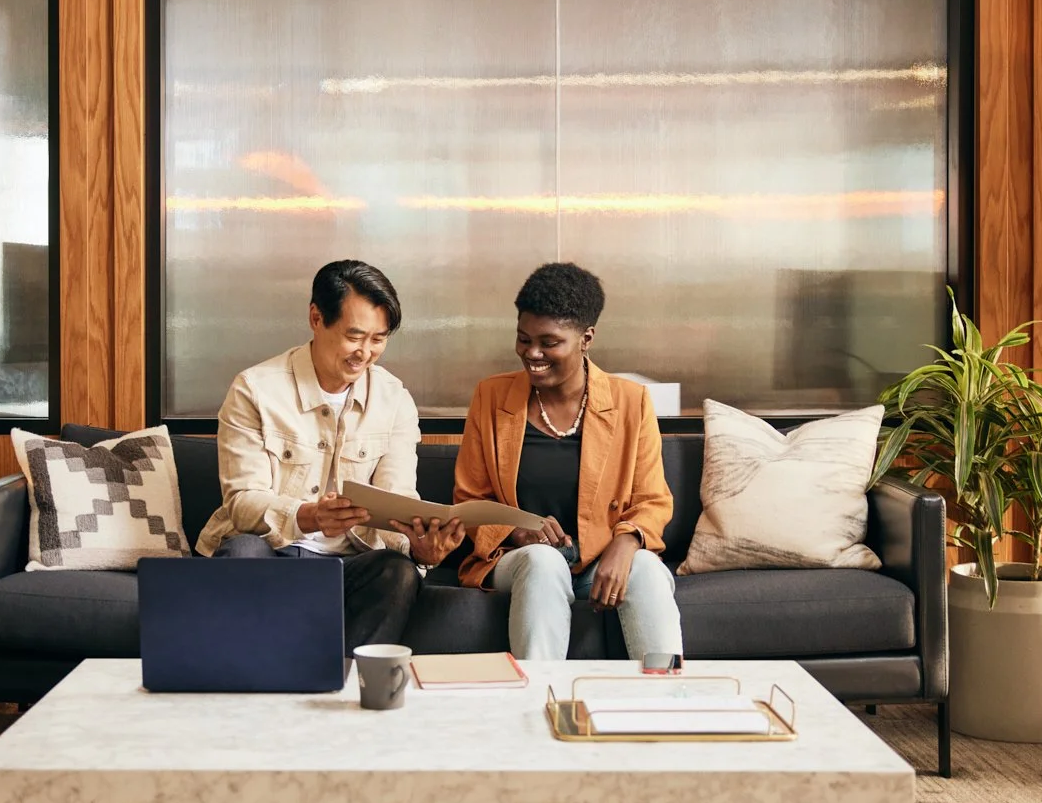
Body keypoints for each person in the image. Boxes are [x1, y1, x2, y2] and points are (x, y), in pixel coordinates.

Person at [195, 260, 465, 650]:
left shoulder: (394, 401)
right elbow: (241, 502)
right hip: (272, 550)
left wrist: (419, 545)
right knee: (242, 551)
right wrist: (309, 516)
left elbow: (398, 498)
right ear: (316, 318)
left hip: (351, 563)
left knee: (398, 571)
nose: (365, 353)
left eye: (379, 339)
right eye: (354, 336)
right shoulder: (254, 390)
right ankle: (258, 687)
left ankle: (348, 686)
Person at [453, 263, 682, 660]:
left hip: (598, 559)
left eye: (549, 342)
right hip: (519, 560)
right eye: (524, 339)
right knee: (543, 562)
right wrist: (518, 532)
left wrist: (626, 543)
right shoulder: (491, 398)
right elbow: (469, 498)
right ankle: (537, 702)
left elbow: (652, 499)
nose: (533, 354)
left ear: (585, 338)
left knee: (644, 568)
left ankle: (667, 703)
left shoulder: (631, 401)